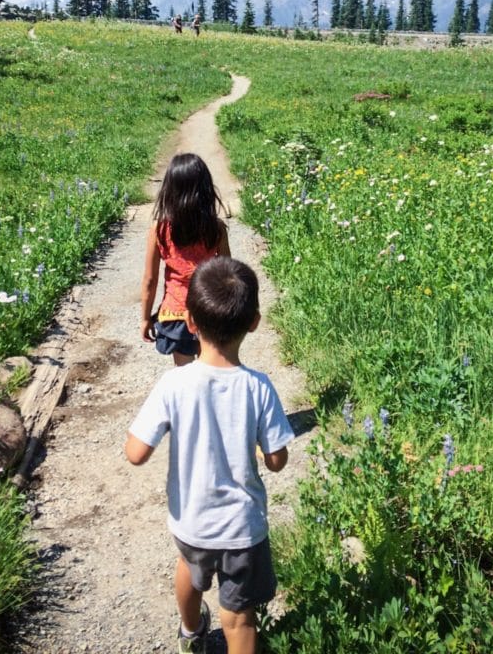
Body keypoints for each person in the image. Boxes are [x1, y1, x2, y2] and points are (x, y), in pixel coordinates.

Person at [126, 256, 294, 654]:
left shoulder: (174, 385)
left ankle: (190, 631)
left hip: (192, 522)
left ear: (190, 322)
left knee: (189, 570)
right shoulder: (258, 387)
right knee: (238, 619)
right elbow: (277, 460)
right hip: (242, 529)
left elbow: (135, 453)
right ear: (254, 321)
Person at [141, 153, 230, 366]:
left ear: (169, 190)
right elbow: (226, 273)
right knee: (210, 370)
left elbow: (150, 280)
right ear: (206, 190)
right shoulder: (216, 229)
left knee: (185, 374)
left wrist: (145, 318)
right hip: (208, 312)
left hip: (175, 314)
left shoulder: (160, 230)